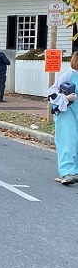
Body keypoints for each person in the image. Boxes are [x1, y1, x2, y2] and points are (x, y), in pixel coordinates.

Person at [48, 52, 78, 184]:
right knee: (67, 141)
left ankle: (75, 171)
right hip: (67, 114)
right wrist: (65, 98)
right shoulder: (69, 75)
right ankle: (67, 172)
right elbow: (51, 93)